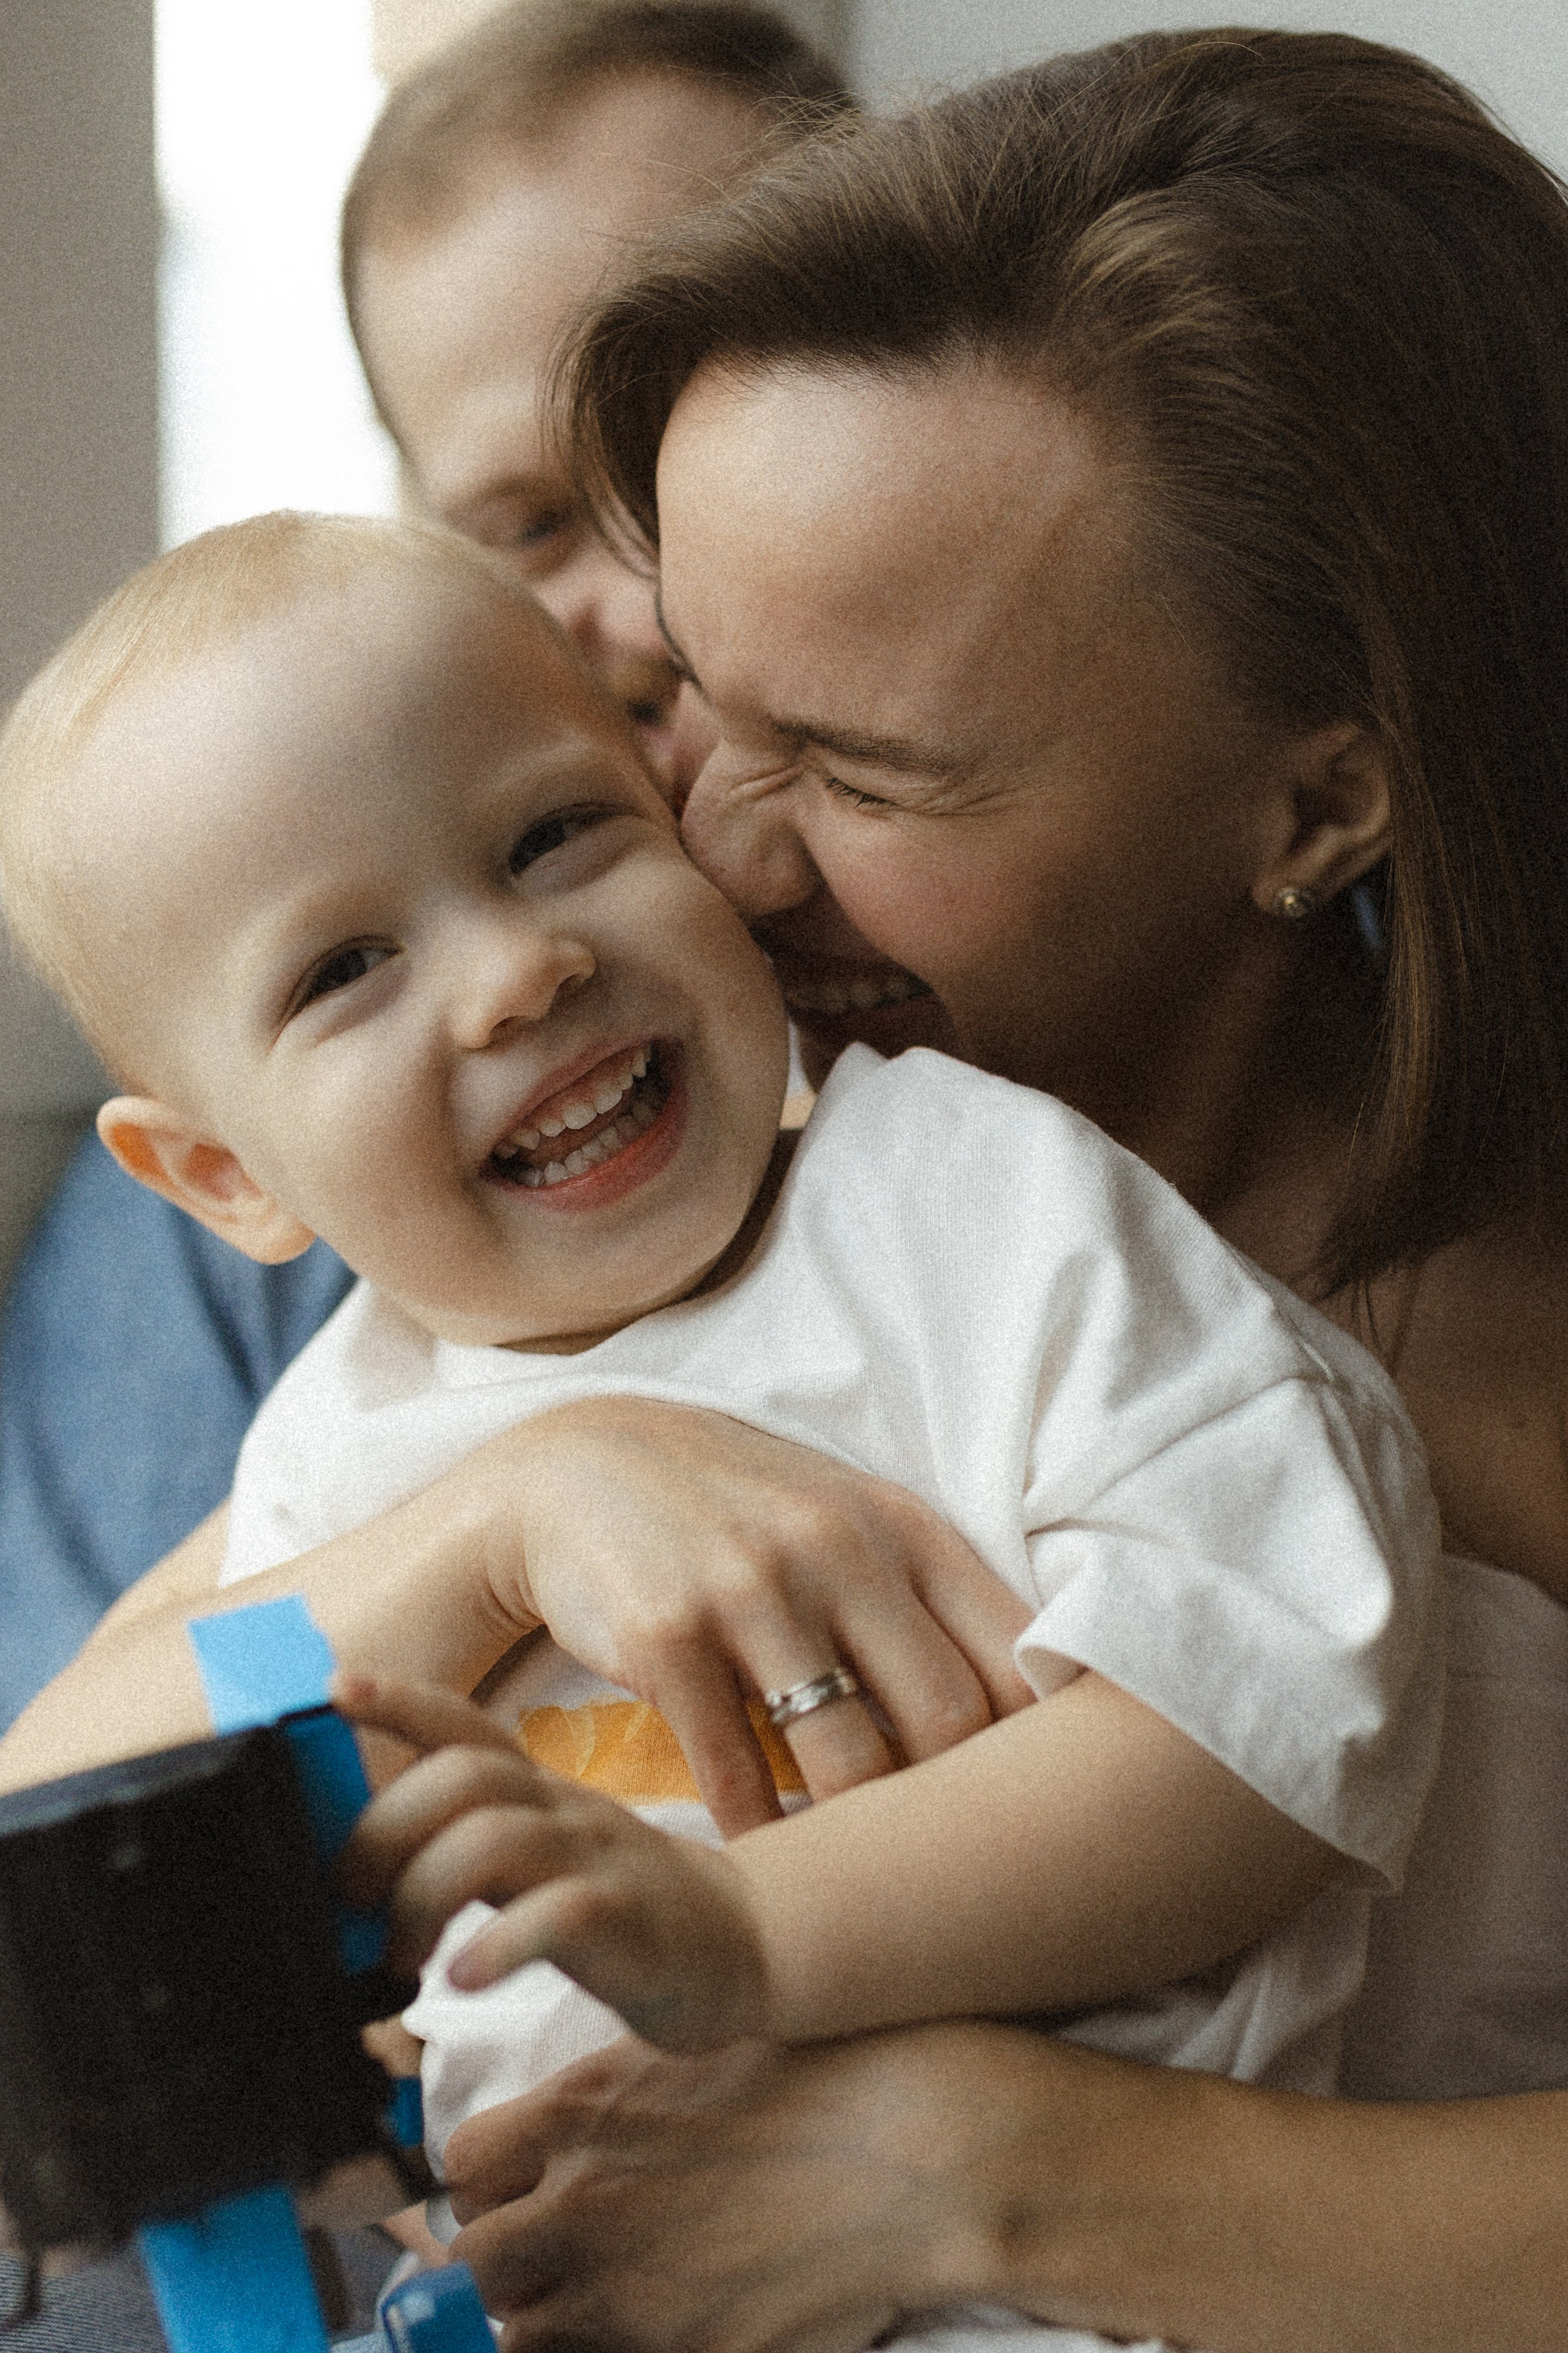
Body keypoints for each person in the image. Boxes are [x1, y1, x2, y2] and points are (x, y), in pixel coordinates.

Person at [9, 23, 1568, 2347]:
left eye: (852, 766)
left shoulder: (1130, 1294)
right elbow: (77, 1817)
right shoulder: (664, 1222)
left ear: (1314, 802)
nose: (714, 854)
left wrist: (1005, 2177)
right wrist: (508, 1512)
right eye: (684, 718)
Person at [0, 0, 852, 1731]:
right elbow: (94, 1770)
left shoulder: (966, 1165)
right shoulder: (316, 1326)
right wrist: (477, 1536)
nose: (651, 591)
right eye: (531, 522)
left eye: (697, 431)